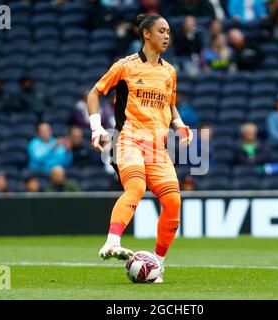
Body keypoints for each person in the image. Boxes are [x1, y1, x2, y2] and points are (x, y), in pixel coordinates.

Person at [87, 13, 193, 283]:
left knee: (172, 202)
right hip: (129, 138)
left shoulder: (170, 71)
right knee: (136, 188)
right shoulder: (125, 66)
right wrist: (96, 126)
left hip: (158, 145)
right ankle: (112, 242)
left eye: (169, 31)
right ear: (146, 34)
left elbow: (169, 103)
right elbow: (94, 93)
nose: (167, 35)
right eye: (162, 31)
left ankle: (158, 263)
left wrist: (179, 123)